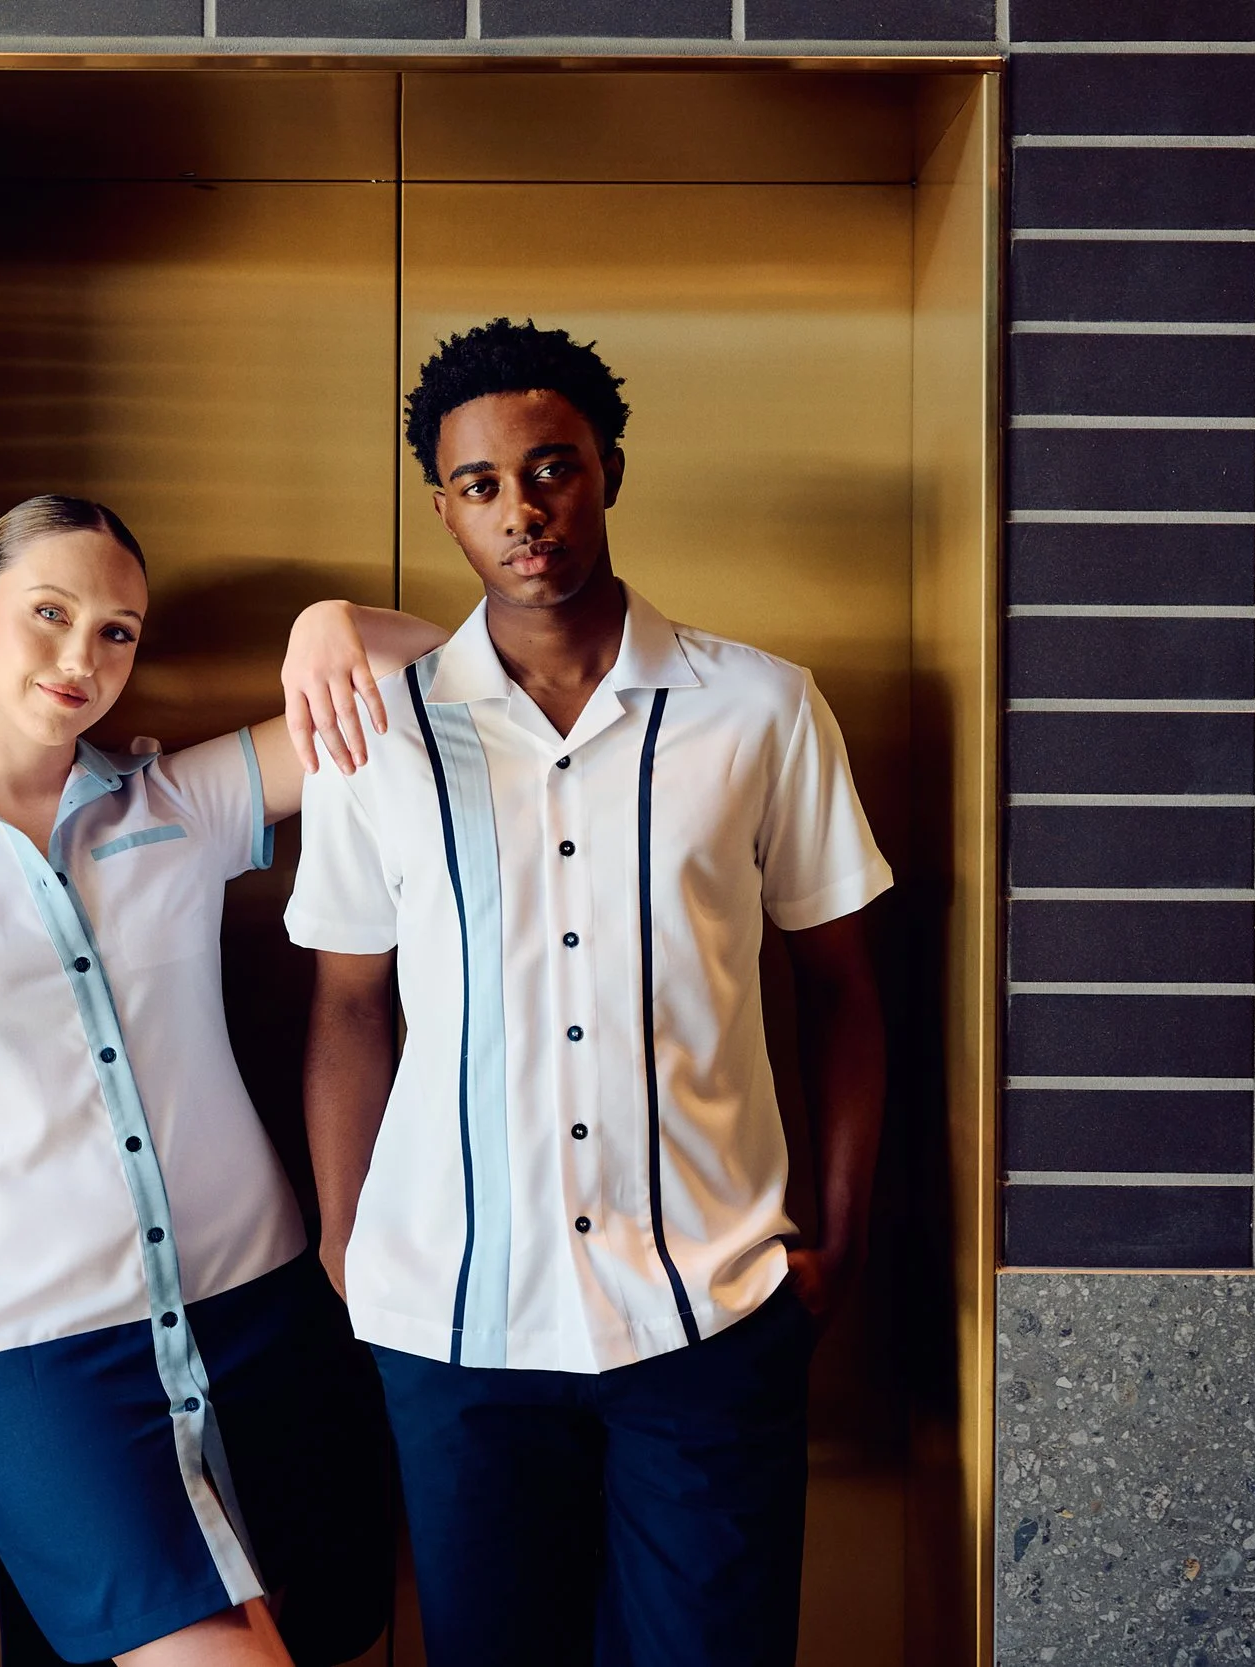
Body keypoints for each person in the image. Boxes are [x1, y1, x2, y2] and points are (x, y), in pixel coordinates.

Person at [285, 320, 892, 1667]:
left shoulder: (761, 708)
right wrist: (345, 1241)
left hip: (709, 1313)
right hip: (455, 1329)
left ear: (608, 468)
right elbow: (346, 1005)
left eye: (551, 467)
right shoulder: (374, 734)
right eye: (481, 484)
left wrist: (840, 1244)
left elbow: (845, 989)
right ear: (444, 508)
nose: (523, 509)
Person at [0, 493, 446, 1666]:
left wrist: (334, 621)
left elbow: (450, 670)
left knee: (323, 1632)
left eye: (117, 632)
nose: (80, 658)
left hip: (261, 1318)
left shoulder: (183, 802)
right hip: (36, 1364)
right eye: (49, 613)